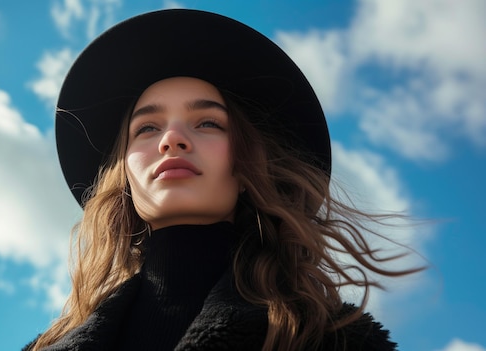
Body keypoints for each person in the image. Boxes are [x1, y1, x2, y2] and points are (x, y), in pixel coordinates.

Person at [24, 9, 420, 351]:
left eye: (208, 122)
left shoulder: (333, 338)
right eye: (146, 128)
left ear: (250, 164)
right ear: (123, 174)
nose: (171, 139)